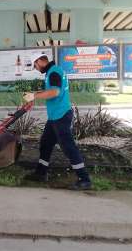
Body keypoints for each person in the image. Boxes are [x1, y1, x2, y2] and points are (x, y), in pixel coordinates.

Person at [22, 53, 92, 190]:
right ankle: (41, 173)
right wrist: (35, 93)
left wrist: (34, 96)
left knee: (68, 147)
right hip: (55, 116)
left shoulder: (54, 72)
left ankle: (84, 179)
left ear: (41, 61)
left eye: (35, 65)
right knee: (46, 143)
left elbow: (55, 92)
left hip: (61, 116)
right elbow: (50, 90)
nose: (36, 68)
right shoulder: (52, 71)